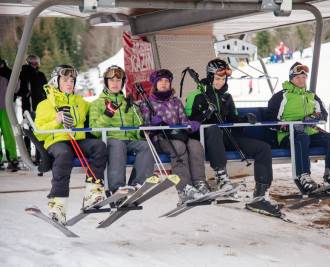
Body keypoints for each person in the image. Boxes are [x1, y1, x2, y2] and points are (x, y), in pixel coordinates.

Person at [185, 58, 280, 217]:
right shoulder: (196, 95)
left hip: (226, 138)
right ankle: (221, 176)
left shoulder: (227, 97)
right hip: (206, 140)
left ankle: (260, 194)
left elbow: (233, 120)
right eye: (217, 78)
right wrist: (205, 115)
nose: (221, 82)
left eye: (223, 79)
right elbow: (189, 124)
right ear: (210, 77)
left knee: (263, 148)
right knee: (214, 129)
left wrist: (245, 119)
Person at [34, 65, 107, 224]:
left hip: (77, 140)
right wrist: (56, 121)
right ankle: (58, 203)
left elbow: (96, 108)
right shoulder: (44, 105)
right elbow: (38, 131)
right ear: (56, 81)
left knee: (99, 146)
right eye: (65, 79)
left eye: (72, 80)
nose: (69, 83)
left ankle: (93, 192)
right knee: (64, 154)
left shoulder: (80, 102)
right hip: (56, 141)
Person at [265, 62, 330, 195]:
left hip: (310, 133)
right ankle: (303, 177)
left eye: (304, 77)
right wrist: (287, 126)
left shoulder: (311, 95)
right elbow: (269, 119)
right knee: (302, 137)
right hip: (289, 136)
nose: (301, 80)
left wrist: (314, 116)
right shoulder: (281, 96)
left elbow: (323, 115)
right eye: (297, 78)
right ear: (291, 79)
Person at [140, 69, 210, 204]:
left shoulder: (176, 102)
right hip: (161, 139)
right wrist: (153, 125)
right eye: (160, 81)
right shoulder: (147, 103)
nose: (164, 84)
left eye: (167, 81)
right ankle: (184, 188)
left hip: (178, 135)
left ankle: (199, 182)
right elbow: (144, 126)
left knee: (195, 145)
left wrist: (191, 124)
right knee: (178, 147)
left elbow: (183, 121)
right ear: (155, 84)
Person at [89, 65, 155, 193]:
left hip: (129, 140)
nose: (115, 83)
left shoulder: (129, 104)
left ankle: (137, 183)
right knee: (118, 145)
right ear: (106, 82)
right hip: (111, 139)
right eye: (112, 80)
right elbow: (94, 131)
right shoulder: (97, 103)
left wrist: (141, 131)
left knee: (146, 146)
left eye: (118, 81)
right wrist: (107, 115)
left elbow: (137, 126)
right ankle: (116, 187)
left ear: (123, 83)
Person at [18, 55, 48, 164]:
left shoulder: (40, 75)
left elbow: (46, 89)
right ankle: (28, 155)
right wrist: (26, 94)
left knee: (39, 130)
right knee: (28, 130)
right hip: (28, 107)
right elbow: (19, 89)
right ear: (29, 63)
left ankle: (40, 156)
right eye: (33, 63)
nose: (35, 65)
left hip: (40, 107)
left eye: (37, 63)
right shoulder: (24, 74)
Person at [0, 73, 19, 172]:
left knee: (8, 134)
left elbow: (14, 90)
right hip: (4, 108)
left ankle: (13, 158)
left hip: (4, 109)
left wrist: (16, 79)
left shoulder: (4, 79)